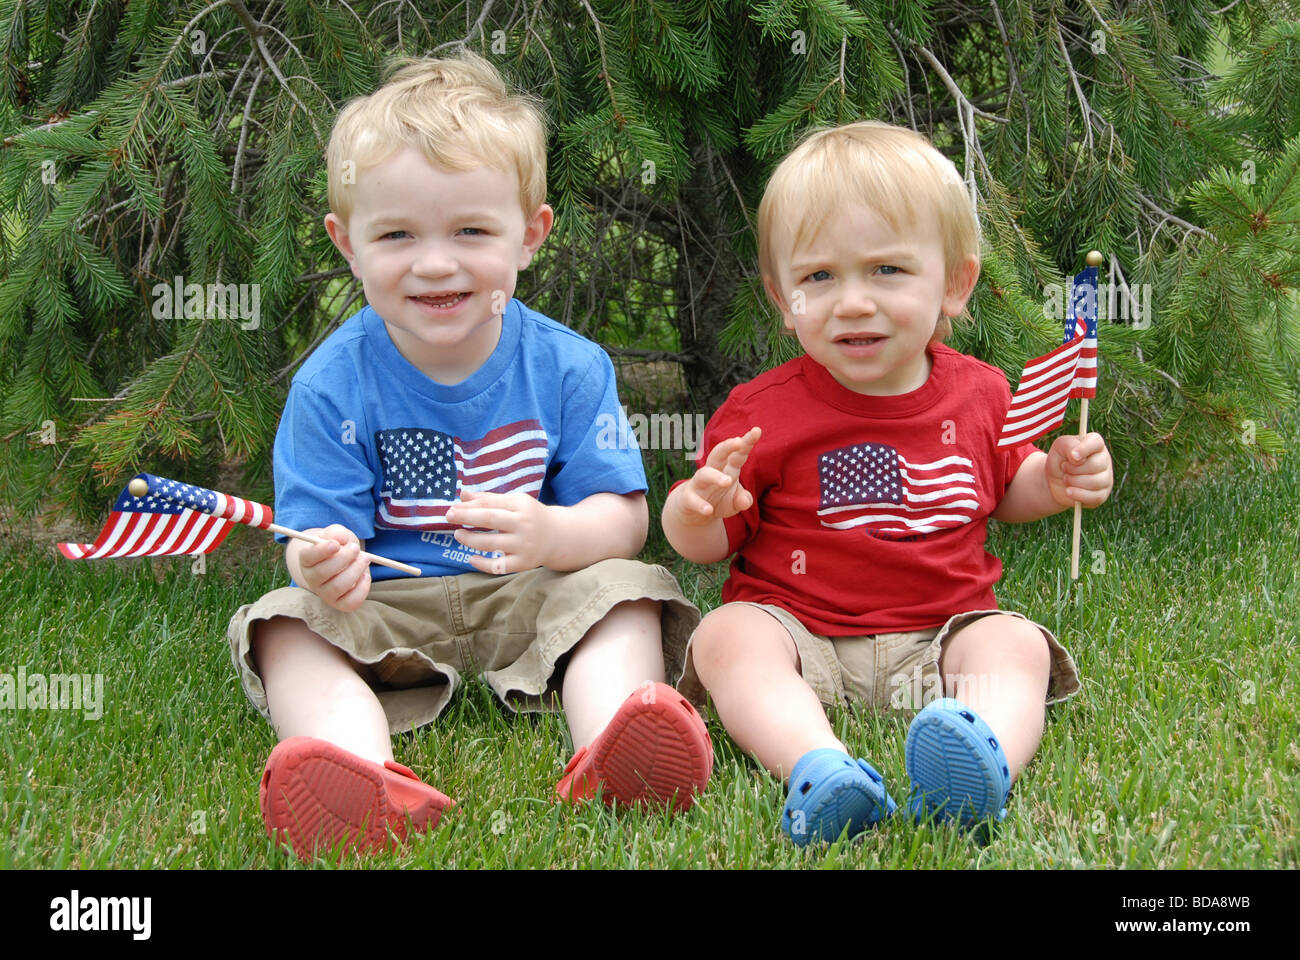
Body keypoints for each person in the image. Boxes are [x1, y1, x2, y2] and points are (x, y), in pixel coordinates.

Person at [227, 51, 711, 862]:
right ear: (348, 245)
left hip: (530, 600)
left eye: (471, 231)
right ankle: (358, 769)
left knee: (627, 593)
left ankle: (616, 745)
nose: (436, 262)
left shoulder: (568, 366)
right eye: (397, 235)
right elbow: (311, 543)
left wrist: (555, 537)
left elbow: (623, 519)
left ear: (531, 236)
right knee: (282, 626)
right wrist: (325, 566)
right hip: (387, 611)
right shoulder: (331, 385)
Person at [662, 120, 1112, 846]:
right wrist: (694, 507)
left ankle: (979, 755)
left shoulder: (982, 395)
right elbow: (706, 547)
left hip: (943, 638)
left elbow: (1006, 486)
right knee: (727, 634)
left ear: (955, 283)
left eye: (887, 271)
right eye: (819, 277)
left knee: (1015, 644)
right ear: (785, 300)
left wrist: (1055, 479)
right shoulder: (760, 413)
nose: (853, 302)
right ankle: (817, 763)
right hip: (802, 638)